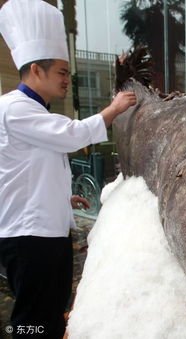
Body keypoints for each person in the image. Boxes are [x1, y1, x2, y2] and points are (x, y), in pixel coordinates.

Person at [0, 1, 136, 338]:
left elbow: (32, 171)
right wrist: (113, 109)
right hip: (30, 239)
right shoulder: (14, 109)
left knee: (51, 312)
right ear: (35, 70)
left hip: (47, 233)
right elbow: (69, 135)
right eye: (61, 72)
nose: (67, 80)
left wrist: (63, 198)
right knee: (34, 319)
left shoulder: (35, 112)